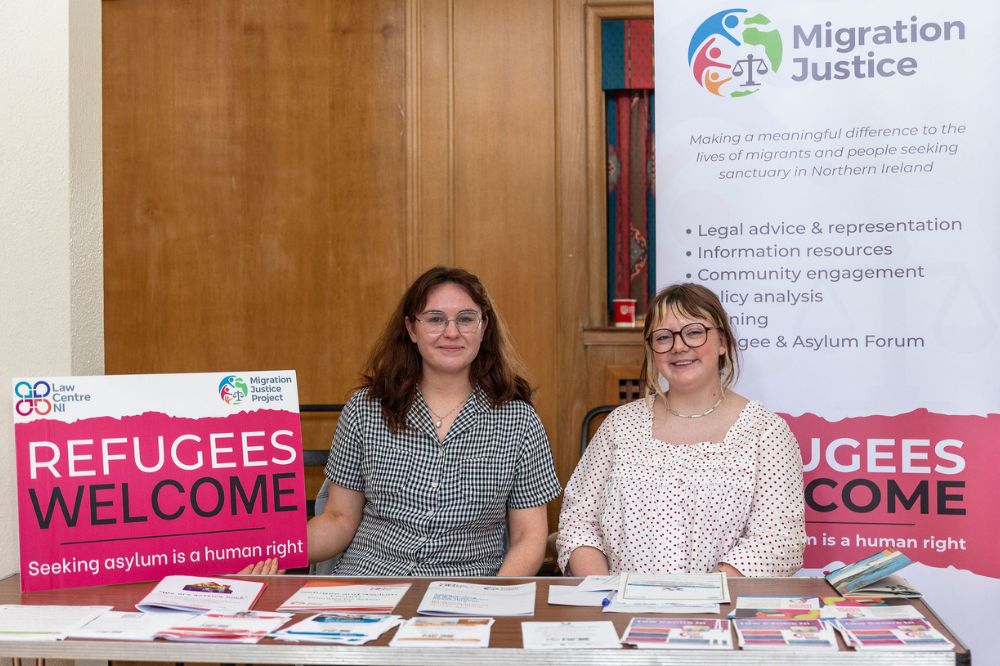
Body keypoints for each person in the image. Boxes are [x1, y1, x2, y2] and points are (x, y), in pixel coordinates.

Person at [304, 266, 562, 576]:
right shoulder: (365, 408)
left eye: (466, 319)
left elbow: (528, 537)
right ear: (411, 329)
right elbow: (337, 519)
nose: (451, 332)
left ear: (483, 328)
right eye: (435, 319)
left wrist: (496, 598)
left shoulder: (519, 421)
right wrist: (272, 551)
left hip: (467, 590)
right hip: (368, 583)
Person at [556, 282, 805, 577]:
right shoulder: (619, 426)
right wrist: (605, 596)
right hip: (619, 613)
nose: (679, 346)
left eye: (695, 332)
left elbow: (779, 541)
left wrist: (699, 600)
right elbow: (578, 524)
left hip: (719, 613)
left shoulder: (766, 432)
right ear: (652, 349)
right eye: (663, 337)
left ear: (722, 342)